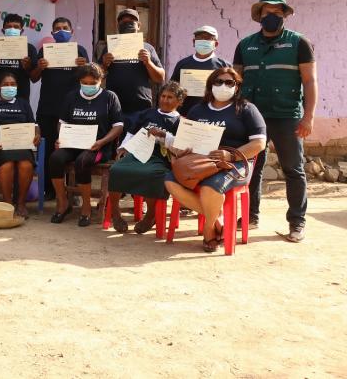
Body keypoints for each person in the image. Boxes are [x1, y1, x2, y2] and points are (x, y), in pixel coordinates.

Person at [233, 0, 317, 242]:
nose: (273, 17)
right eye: (268, 12)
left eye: (278, 13)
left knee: (293, 169)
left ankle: (297, 222)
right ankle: (250, 215)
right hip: (253, 117)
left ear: (285, 15)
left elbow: (310, 80)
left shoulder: (299, 43)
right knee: (251, 168)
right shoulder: (245, 44)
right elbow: (236, 80)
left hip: (287, 116)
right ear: (259, 16)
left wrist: (309, 116)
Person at [164, 67, 267, 252]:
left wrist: (231, 154)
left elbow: (259, 143)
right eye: (218, 82)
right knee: (170, 180)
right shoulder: (198, 110)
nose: (223, 86)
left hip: (235, 164)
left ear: (237, 87)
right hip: (201, 162)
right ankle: (218, 218)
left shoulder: (246, 109)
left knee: (210, 186)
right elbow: (184, 138)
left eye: (229, 82)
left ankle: (209, 231)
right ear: (210, 85)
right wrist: (184, 148)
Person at [49, 63, 124, 226]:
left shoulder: (110, 97)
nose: (88, 86)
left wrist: (102, 142)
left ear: (101, 80)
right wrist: (61, 138)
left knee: (82, 162)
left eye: (93, 83)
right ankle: (63, 203)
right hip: (72, 144)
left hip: (98, 147)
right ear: (79, 81)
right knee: (55, 158)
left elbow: (118, 126)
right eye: (85, 82)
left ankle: (86, 206)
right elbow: (62, 122)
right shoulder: (71, 96)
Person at [106, 81, 186, 233]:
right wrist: (123, 148)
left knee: (153, 175)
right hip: (138, 152)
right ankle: (115, 214)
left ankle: (150, 216)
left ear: (179, 101)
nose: (165, 100)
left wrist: (163, 135)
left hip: (161, 157)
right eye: (163, 96)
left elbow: (180, 148)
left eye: (170, 97)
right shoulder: (147, 114)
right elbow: (131, 133)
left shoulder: (181, 122)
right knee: (116, 169)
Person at [30, 17, 89, 198]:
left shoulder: (80, 51)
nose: (61, 31)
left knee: (73, 149)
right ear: (52, 33)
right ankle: (49, 190)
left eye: (65, 28)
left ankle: (75, 192)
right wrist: (39, 67)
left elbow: (90, 78)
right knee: (48, 151)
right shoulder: (44, 51)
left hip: (73, 110)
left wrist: (84, 66)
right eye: (57, 28)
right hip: (48, 108)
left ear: (71, 32)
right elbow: (33, 78)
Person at [0, 71, 41, 217]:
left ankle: (21, 203)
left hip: (21, 145)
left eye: (13, 84)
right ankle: (7, 204)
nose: (9, 87)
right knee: (7, 165)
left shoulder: (23, 103)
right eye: (6, 85)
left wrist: (37, 134)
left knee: (26, 165)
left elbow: (34, 124)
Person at [99, 9, 165, 123]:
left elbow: (160, 78)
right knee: (115, 138)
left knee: (137, 139)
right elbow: (97, 77)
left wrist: (148, 62)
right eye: (123, 23)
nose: (127, 25)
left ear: (138, 25)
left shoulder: (148, 48)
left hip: (141, 106)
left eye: (131, 22)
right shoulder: (109, 48)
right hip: (114, 104)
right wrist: (104, 64)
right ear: (118, 26)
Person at [169, 25, 231, 116]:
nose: (203, 41)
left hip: (213, 117)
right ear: (194, 42)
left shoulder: (224, 66)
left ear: (216, 44)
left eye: (208, 38)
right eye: (199, 38)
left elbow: (230, 93)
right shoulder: (182, 64)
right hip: (185, 116)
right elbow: (172, 90)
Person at [0, 13, 38, 100]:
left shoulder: (30, 48)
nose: (12, 29)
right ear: (3, 30)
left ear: (22, 30)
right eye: (9, 27)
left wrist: (28, 67)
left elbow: (34, 79)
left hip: (21, 99)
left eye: (16, 27)